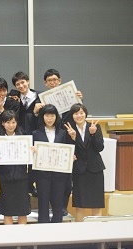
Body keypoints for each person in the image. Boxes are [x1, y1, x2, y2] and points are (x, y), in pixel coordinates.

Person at [35, 68, 84, 216]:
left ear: (60, 81)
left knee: (64, 183)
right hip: (45, 155)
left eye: (55, 80)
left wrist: (80, 99)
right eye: (49, 80)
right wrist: (36, 111)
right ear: (45, 83)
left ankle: (62, 207)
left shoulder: (71, 95)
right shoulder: (41, 100)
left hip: (66, 138)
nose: (52, 82)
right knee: (45, 192)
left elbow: (79, 111)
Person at [64, 103, 105, 222]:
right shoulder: (69, 129)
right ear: (72, 116)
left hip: (95, 169)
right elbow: (70, 150)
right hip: (79, 170)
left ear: (85, 114)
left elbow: (99, 148)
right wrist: (73, 139)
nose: (79, 115)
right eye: (76, 113)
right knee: (80, 204)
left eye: (81, 113)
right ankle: (80, 233)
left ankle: (98, 232)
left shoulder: (94, 127)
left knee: (96, 203)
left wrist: (93, 134)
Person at [32, 104, 71, 223]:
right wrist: (33, 151)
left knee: (58, 204)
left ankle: (57, 231)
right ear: (42, 117)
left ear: (56, 117)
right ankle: (43, 232)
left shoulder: (63, 133)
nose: (49, 118)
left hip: (59, 174)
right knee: (43, 203)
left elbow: (68, 150)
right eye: (47, 115)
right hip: (42, 175)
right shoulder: (35, 133)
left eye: (52, 115)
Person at [0, 110, 31, 225]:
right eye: (8, 122)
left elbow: (28, 157)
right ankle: (10, 240)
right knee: (7, 210)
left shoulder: (23, 137)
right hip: (5, 178)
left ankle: (22, 241)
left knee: (22, 210)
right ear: (3, 123)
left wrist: (31, 151)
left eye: (13, 122)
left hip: (21, 178)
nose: (11, 125)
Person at [9, 71, 40, 197]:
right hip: (20, 133)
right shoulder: (14, 96)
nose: (21, 86)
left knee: (35, 162)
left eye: (23, 82)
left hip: (36, 132)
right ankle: (24, 186)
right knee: (21, 161)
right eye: (18, 84)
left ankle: (33, 185)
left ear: (27, 81)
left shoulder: (40, 96)